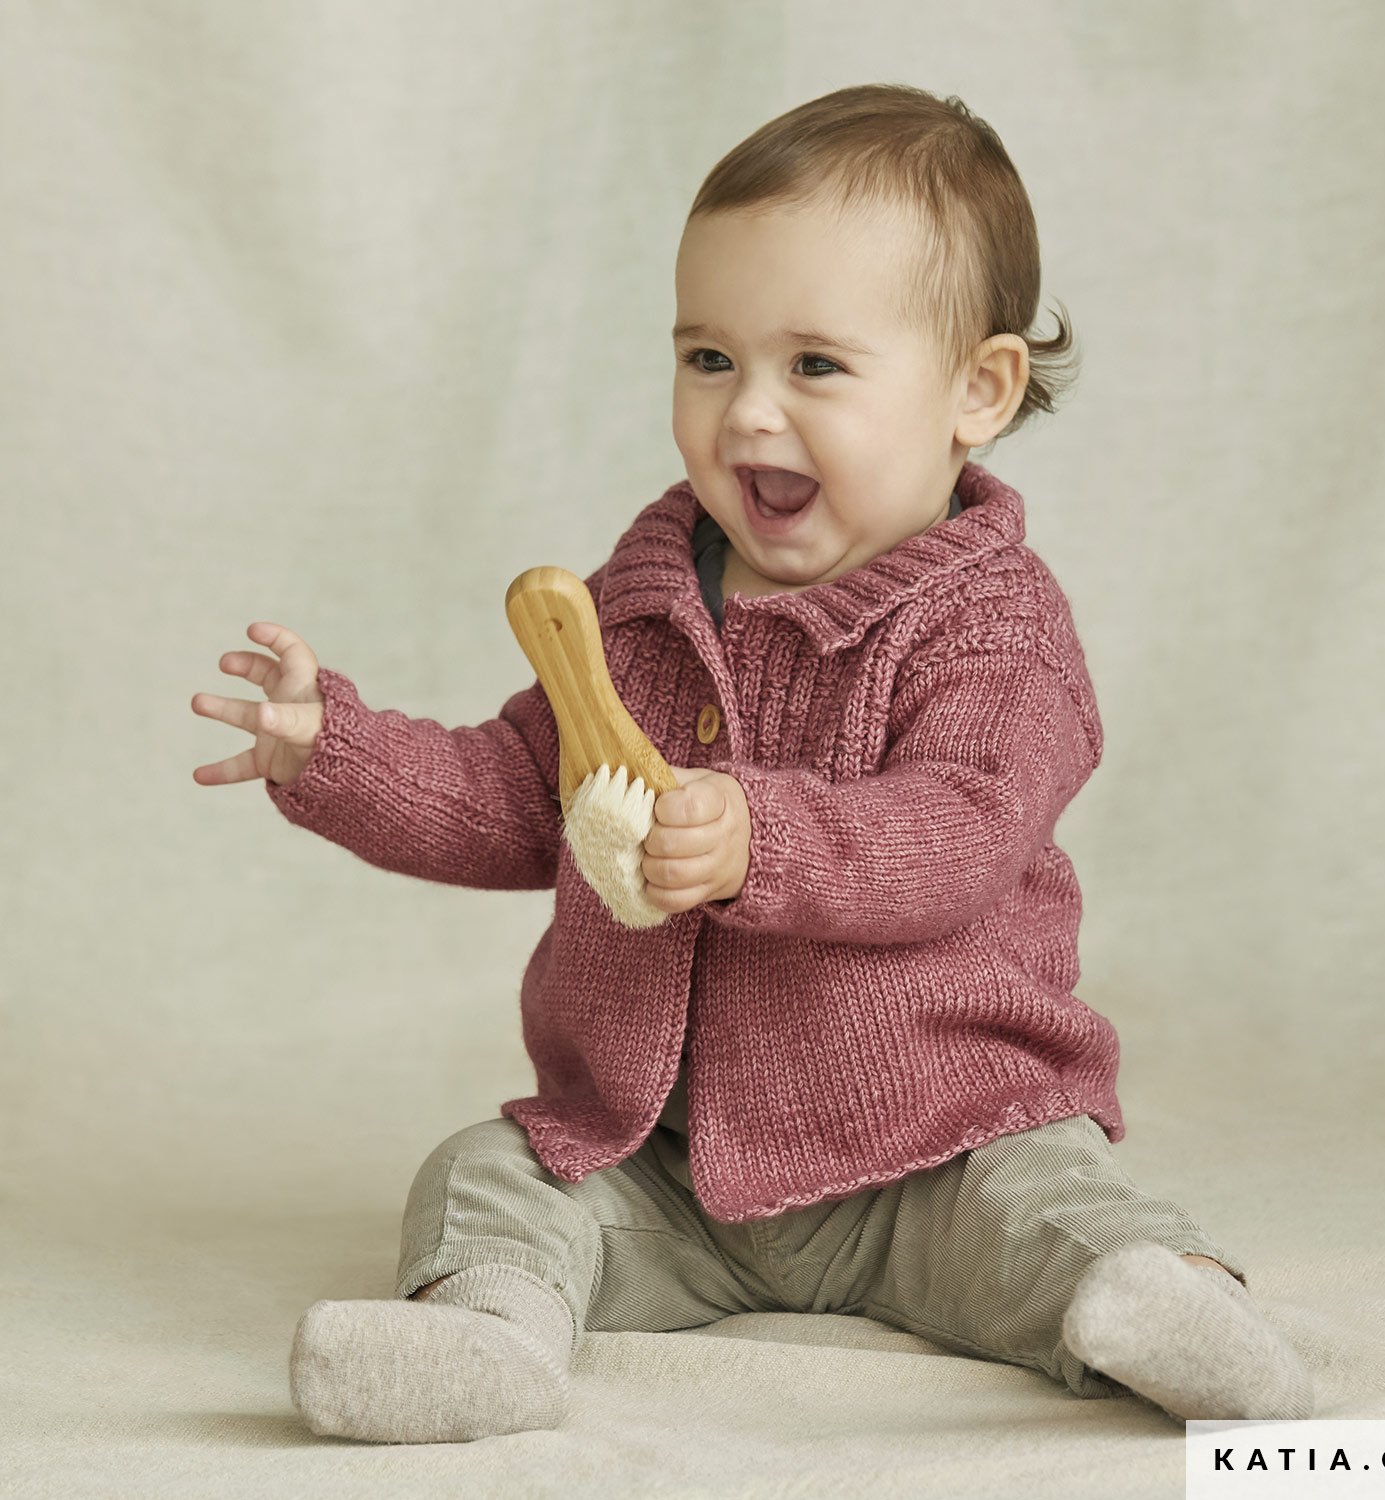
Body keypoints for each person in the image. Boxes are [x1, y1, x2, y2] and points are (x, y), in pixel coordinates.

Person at [191, 83, 1313, 1444]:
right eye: (710, 359)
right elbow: (525, 793)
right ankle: (491, 1335)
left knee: (1055, 1204)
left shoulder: (994, 626)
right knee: (486, 1174)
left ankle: (1171, 1310)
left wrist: (757, 839)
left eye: (816, 367)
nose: (748, 415)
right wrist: (336, 752)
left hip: (935, 1145)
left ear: (978, 390)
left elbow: (963, 831)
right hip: (660, 1167)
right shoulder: (643, 605)